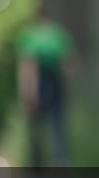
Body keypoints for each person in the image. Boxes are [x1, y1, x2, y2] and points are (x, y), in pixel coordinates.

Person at [16, 10, 73, 167]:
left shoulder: (29, 36)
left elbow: (27, 65)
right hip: (55, 80)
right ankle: (60, 160)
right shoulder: (58, 34)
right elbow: (68, 63)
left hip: (38, 80)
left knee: (36, 122)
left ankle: (37, 161)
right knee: (58, 122)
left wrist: (26, 92)